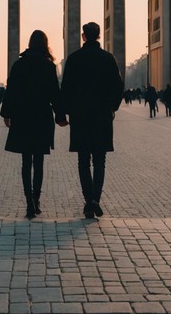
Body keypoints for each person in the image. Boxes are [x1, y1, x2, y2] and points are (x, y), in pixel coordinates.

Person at [57, 22, 124, 220]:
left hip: (81, 116)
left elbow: (66, 89)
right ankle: (96, 199)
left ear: (83, 36)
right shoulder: (108, 58)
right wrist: (112, 107)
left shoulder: (74, 59)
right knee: (100, 160)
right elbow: (118, 86)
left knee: (83, 160)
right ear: (99, 36)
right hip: (102, 116)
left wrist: (62, 114)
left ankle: (88, 200)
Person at [0, 30, 62, 219]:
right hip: (42, 116)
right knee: (39, 160)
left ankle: (28, 203)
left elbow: (12, 90)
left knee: (26, 161)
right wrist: (60, 114)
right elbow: (55, 94)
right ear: (45, 44)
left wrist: (7, 113)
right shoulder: (49, 66)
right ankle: (37, 200)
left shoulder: (19, 65)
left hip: (23, 115)